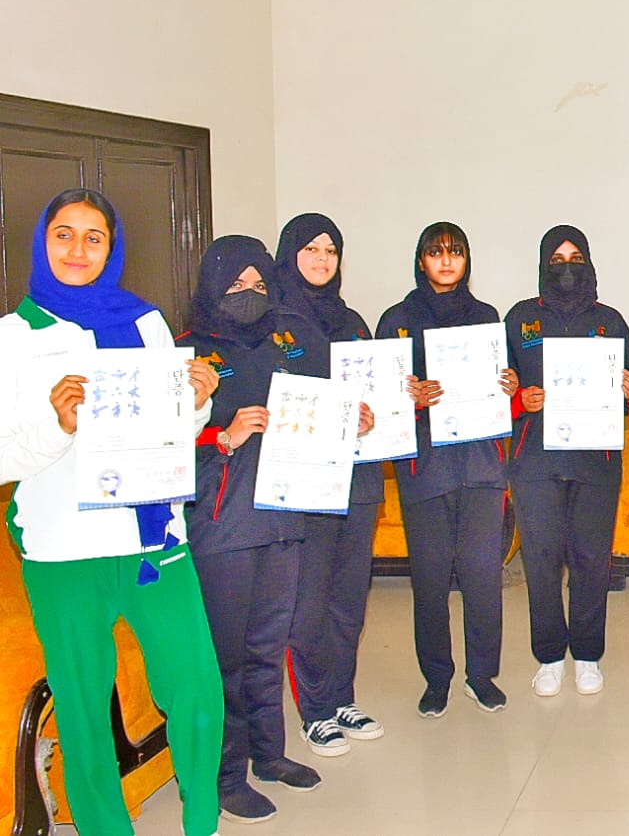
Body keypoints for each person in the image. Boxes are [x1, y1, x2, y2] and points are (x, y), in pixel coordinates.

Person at [0, 189, 224, 836]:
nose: (77, 249)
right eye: (63, 234)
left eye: (93, 237)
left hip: (153, 540)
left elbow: (168, 431)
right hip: (64, 553)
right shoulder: (14, 338)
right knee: (82, 710)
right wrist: (58, 424)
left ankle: (202, 820)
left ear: (112, 247)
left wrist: (199, 401)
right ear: (42, 242)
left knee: (197, 691)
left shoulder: (147, 322)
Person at [181, 235, 322, 823]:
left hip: (284, 517)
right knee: (227, 656)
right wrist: (223, 435)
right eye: (235, 285)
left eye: (259, 284)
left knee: (268, 646)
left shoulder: (283, 343)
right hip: (222, 523)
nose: (248, 295)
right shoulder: (188, 352)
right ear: (213, 285)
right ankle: (225, 773)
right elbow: (157, 446)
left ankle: (270, 755)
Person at [377, 222, 517, 717]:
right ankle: (437, 678)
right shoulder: (396, 320)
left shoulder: (487, 317)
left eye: (455, 252)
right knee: (431, 581)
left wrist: (508, 382)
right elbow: (378, 398)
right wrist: (408, 396)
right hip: (425, 468)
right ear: (421, 261)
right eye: (435, 253)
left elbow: (508, 391)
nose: (446, 261)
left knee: (482, 577)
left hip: (480, 466)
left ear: (466, 259)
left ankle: (482, 676)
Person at [504, 225, 629, 697]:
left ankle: (587, 654)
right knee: (541, 560)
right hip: (534, 460)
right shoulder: (520, 319)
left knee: (591, 560)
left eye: (575, 257)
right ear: (544, 264)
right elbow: (499, 388)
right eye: (557, 258)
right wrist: (522, 398)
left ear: (588, 263)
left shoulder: (611, 320)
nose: (566, 267)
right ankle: (547, 656)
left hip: (595, 460)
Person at [274, 214, 386, 758]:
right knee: (309, 601)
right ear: (289, 253)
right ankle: (314, 710)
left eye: (331, 251)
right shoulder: (274, 325)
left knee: (349, 599)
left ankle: (342, 696)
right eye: (311, 248)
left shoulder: (353, 322)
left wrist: (381, 405)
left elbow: (372, 393)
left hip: (358, 480)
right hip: (308, 484)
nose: (321, 259)